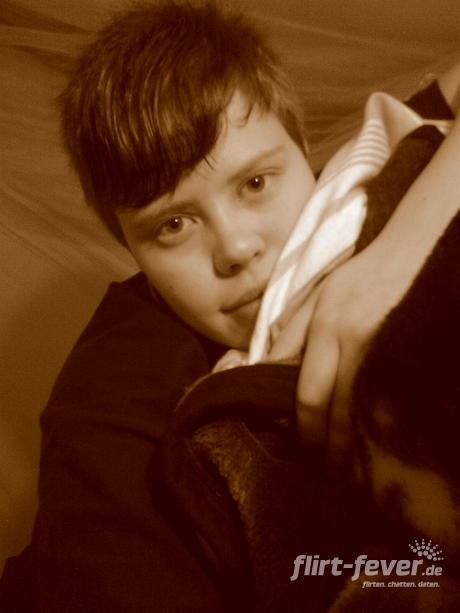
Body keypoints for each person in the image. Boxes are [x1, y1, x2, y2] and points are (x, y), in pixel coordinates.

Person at [0, 1, 459, 611]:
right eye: (173, 225)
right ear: (133, 252)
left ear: (303, 149)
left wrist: (399, 250)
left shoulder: (358, 186)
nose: (237, 248)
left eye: (255, 184)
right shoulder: (113, 392)